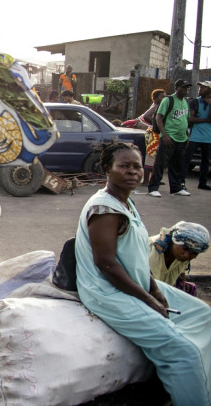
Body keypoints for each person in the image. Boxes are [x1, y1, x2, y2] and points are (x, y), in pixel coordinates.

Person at [74, 141, 211, 406]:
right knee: (182, 353)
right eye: (124, 166)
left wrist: (156, 288)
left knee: (204, 316)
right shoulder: (104, 209)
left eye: (137, 166)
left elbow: (136, 257)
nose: (133, 172)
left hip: (134, 284)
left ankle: (199, 385)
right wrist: (148, 300)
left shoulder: (126, 203)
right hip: (108, 293)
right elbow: (106, 264)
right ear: (107, 169)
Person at [148, 78, 192, 197]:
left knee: (177, 164)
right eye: (183, 87)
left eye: (187, 88)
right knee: (160, 163)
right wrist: (165, 135)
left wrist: (187, 135)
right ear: (176, 88)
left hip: (181, 138)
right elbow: (158, 117)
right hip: (169, 137)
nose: (185, 90)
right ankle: (153, 187)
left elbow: (185, 119)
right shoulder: (168, 100)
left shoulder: (186, 102)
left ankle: (176, 187)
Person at [149, 221, 209, 296]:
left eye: (194, 253)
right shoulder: (152, 253)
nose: (187, 256)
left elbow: (180, 273)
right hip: (144, 290)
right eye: (185, 248)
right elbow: (150, 287)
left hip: (161, 288)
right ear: (174, 241)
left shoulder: (181, 256)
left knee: (190, 290)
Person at [183, 80, 211, 190]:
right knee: (186, 159)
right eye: (199, 87)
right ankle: (181, 183)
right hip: (195, 136)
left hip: (208, 138)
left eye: (203, 88)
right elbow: (190, 118)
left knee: (206, 161)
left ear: (209, 90)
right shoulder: (195, 102)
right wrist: (205, 120)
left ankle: (202, 183)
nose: (200, 89)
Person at [141, 89, 167, 185]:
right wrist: (156, 124)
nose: (164, 98)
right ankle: (146, 180)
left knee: (156, 157)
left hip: (156, 133)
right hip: (153, 134)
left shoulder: (160, 105)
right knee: (151, 157)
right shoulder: (156, 106)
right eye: (162, 96)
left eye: (165, 96)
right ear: (155, 98)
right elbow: (146, 116)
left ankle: (154, 179)